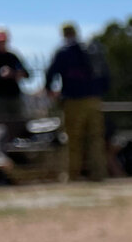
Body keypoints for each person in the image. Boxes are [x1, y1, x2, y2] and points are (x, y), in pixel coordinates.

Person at [44, 22, 109, 182]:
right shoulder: (91, 50)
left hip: (73, 100)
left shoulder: (63, 52)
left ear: (63, 34)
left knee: (73, 139)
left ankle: (72, 174)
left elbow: (51, 73)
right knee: (95, 138)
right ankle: (98, 173)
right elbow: (105, 73)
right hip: (94, 99)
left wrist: (49, 89)